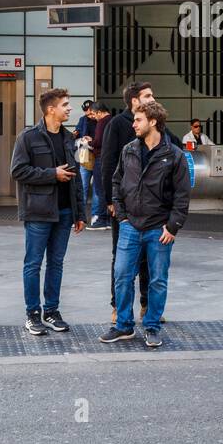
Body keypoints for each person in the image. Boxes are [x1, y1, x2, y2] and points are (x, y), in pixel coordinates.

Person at [100, 101, 189, 349]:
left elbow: (182, 196)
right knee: (121, 276)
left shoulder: (173, 155)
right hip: (130, 226)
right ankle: (123, 326)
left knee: (157, 279)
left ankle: (152, 326)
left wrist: (172, 227)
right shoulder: (129, 149)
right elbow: (117, 181)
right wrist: (121, 214)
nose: (134, 124)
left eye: (138, 120)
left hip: (158, 229)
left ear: (152, 122)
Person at [11, 87, 86, 336]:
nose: (69, 108)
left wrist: (80, 213)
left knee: (56, 263)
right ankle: (32, 314)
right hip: (38, 212)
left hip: (64, 212)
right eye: (65, 104)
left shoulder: (67, 137)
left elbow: (75, 177)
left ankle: (51, 311)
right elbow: (18, 171)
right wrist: (51, 174)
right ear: (50, 109)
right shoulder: (28, 137)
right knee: (33, 264)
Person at [86, 102, 111, 229]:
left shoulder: (102, 122)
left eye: (94, 114)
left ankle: (101, 219)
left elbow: (99, 141)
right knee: (108, 189)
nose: (94, 117)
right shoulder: (113, 120)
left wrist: (89, 142)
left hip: (100, 158)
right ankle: (108, 219)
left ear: (99, 112)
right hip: (109, 159)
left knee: (99, 189)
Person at [74, 99, 97, 220]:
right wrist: (76, 134)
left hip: (97, 155)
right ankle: (79, 216)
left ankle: (96, 215)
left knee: (97, 189)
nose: (88, 116)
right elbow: (77, 132)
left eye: (90, 113)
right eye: (86, 113)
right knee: (83, 186)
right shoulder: (83, 120)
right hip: (84, 155)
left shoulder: (100, 119)